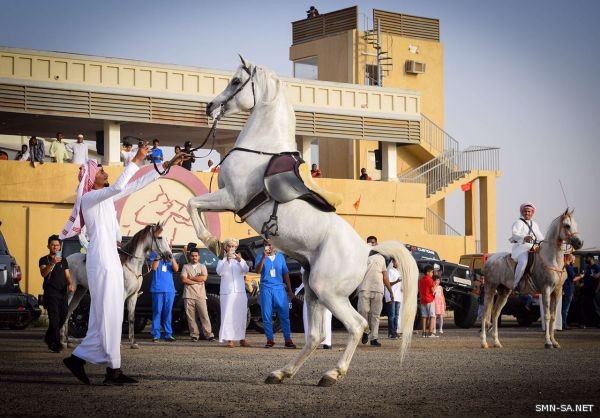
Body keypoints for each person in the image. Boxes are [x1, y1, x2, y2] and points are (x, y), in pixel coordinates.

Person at [60, 143, 178, 385]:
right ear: (93, 179)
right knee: (105, 313)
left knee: (114, 314)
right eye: (101, 171)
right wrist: (136, 158)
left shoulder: (105, 199)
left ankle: (113, 370)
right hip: (100, 260)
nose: (105, 172)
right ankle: (79, 359)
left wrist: (165, 166)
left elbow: (133, 186)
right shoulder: (90, 198)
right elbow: (119, 185)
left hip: (110, 259)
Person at [255, 239, 296, 348]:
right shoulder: (260, 256)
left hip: (279, 289)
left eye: (269, 244)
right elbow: (257, 271)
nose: (268, 247)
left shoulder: (281, 257)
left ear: (275, 246)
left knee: (284, 315)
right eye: (266, 245)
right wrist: (264, 258)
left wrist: (290, 290)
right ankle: (270, 339)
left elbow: (285, 273)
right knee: (266, 315)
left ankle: (288, 340)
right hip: (266, 288)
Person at [39, 234, 74, 353]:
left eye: (57, 245)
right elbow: (43, 273)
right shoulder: (44, 259)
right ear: (48, 246)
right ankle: (55, 343)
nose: (55, 247)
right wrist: (52, 263)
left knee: (63, 316)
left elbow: (67, 275)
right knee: (54, 319)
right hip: (51, 292)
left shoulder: (63, 260)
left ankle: (49, 337)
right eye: (53, 245)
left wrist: (70, 283)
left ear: (60, 247)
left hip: (62, 292)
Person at [359, 235, 394, 346]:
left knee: (376, 315)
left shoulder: (382, 258)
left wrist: (391, 291)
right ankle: (365, 331)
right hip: (364, 288)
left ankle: (374, 338)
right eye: (369, 242)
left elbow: (385, 277)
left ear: (377, 244)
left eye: (373, 242)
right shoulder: (361, 256)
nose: (371, 244)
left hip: (378, 289)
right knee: (363, 311)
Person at [216, 238, 250, 348]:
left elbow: (246, 270)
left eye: (233, 246)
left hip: (240, 292)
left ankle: (242, 338)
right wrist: (227, 261)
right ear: (226, 248)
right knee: (228, 315)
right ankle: (230, 339)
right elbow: (219, 272)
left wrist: (240, 261)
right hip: (227, 292)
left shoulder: (240, 260)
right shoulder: (222, 260)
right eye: (229, 246)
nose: (231, 248)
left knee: (241, 315)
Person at [181, 248, 215, 342]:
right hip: (188, 295)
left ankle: (209, 334)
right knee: (191, 317)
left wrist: (191, 278)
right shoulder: (186, 266)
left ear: (199, 257)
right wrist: (195, 281)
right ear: (189, 256)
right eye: (192, 256)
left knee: (204, 315)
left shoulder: (202, 266)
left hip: (201, 295)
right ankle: (194, 335)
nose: (194, 257)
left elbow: (204, 278)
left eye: (196, 256)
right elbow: (184, 279)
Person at [510, 202, 544, 291]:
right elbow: (515, 235)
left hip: (534, 247)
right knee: (523, 262)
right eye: (525, 211)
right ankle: (515, 284)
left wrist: (544, 243)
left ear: (532, 213)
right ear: (522, 212)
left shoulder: (535, 224)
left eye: (529, 211)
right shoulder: (518, 222)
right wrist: (524, 237)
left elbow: (540, 237)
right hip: (521, 248)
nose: (527, 213)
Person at [297, 267, 333, 349]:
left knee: (326, 315)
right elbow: (303, 271)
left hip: (325, 286)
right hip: (310, 285)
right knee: (308, 315)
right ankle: (310, 341)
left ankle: (326, 342)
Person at [148, 250, 179, 342]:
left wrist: (171, 257)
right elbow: (153, 268)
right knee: (157, 311)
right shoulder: (154, 254)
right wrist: (158, 256)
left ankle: (168, 334)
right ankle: (156, 335)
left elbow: (176, 269)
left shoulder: (169, 256)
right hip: (157, 289)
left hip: (170, 290)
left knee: (168, 312)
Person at [562, 254, 582, 330]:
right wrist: (581, 276)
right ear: (570, 259)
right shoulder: (568, 267)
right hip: (568, 290)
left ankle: (564, 323)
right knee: (565, 309)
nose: (574, 261)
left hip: (566, 290)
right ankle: (564, 324)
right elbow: (573, 279)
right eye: (573, 259)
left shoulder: (565, 266)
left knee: (564, 308)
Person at [384, 258, 403, 339]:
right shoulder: (390, 271)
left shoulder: (398, 271)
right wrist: (397, 281)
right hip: (391, 296)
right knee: (392, 315)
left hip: (398, 296)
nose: (398, 263)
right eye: (397, 261)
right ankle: (391, 333)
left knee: (397, 315)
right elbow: (388, 283)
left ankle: (394, 332)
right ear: (393, 262)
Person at [418, 265, 438, 338]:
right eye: (432, 272)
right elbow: (433, 290)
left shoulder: (420, 280)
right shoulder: (430, 280)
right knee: (432, 316)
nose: (432, 274)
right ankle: (430, 332)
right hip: (430, 299)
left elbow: (419, 290)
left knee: (424, 316)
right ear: (428, 272)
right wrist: (436, 285)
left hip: (423, 299)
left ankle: (423, 332)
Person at [581, 255, 600, 327]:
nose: (586, 259)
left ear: (591, 258)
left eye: (587, 258)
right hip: (587, 290)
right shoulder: (587, 267)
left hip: (594, 290)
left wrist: (597, 289)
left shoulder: (596, 267)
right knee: (588, 306)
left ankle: (598, 323)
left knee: (596, 307)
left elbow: (599, 279)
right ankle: (590, 322)